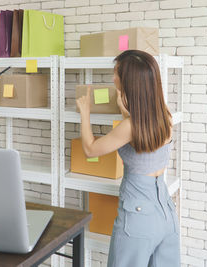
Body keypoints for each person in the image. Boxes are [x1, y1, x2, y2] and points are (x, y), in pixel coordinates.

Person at [76, 50, 180, 267]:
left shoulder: (130, 127)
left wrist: (85, 114)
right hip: (166, 213)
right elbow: (141, 139)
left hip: (139, 218)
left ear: (130, 81)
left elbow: (90, 149)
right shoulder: (164, 116)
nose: (113, 78)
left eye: (116, 74)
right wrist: (125, 111)